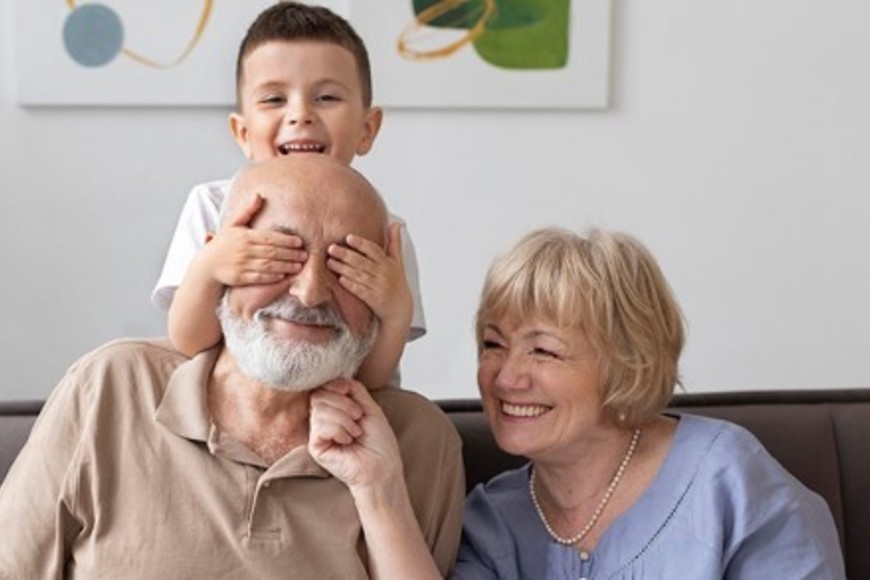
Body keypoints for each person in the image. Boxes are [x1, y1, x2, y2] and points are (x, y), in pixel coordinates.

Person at [0, 155, 463, 579]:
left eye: (347, 265)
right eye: (279, 254)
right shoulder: (110, 385)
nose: (310, 293)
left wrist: (379, 490)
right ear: (216, 263)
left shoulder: (418, 439)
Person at [451, 227, 846, 579]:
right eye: (493, 344)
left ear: (625, 361)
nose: (505, 378)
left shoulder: (727, 479)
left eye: (543, 351)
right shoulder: (490, 521)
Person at [153, 1, 423, 390]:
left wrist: (396, 313)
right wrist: (209, 267)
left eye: (326, 97)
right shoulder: (213, 205)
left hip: (339, 404)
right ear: (243, 132)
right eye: (274, 99)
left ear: (367, 129)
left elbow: (374, 381)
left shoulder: (386, 230)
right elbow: (189, 342)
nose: (300, 115)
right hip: (236, 404)